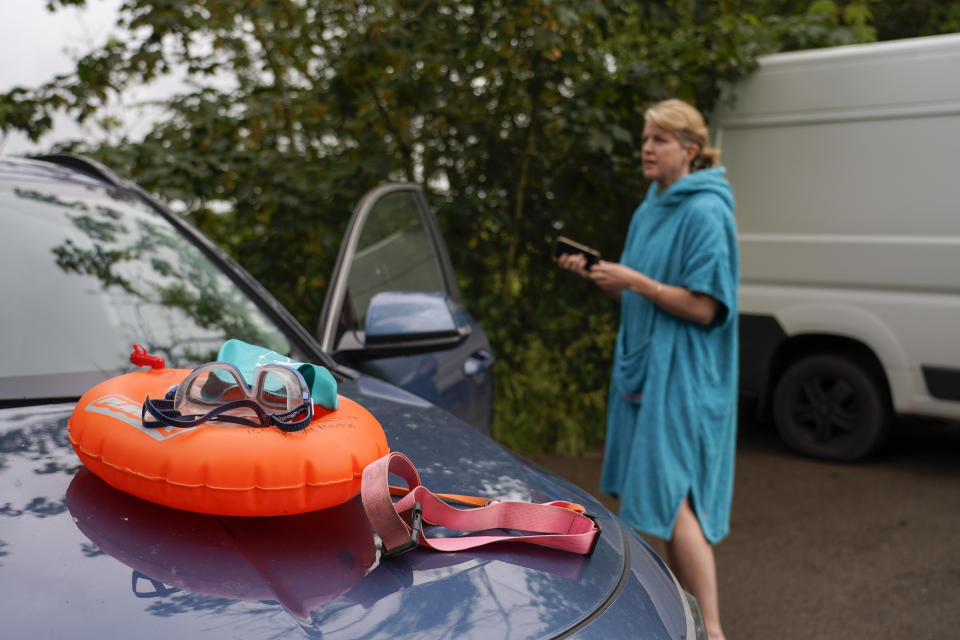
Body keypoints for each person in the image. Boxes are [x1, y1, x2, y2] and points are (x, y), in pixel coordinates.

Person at [557, 98, 738, 640]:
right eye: (644, 138)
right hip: (645, 366)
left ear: (690, 149)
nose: (647, 148)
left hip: (684, 373)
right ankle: (693, 619)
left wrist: (634, 281)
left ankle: (715, 629)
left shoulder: (706, 211)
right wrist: (610, 280)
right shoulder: (650, 205)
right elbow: (645, 295)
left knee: (673, 495)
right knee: (663, 498)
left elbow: (706, 307)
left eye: (659, 139)